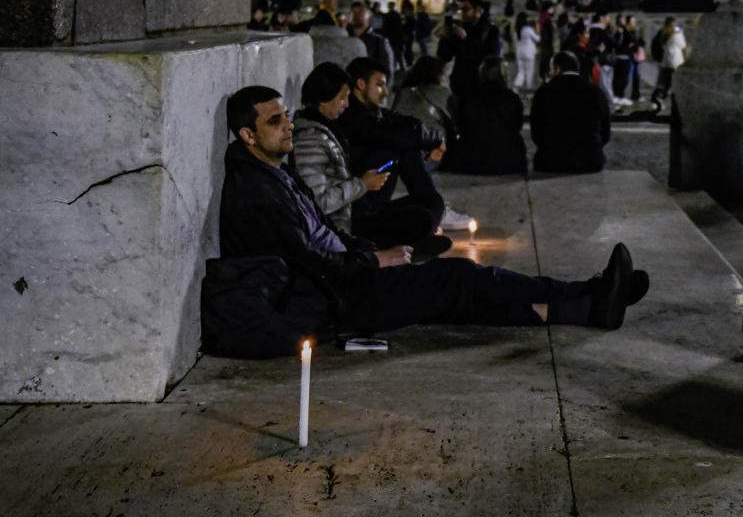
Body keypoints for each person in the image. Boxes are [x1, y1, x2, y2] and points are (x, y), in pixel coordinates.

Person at [219, 85, 646, 334]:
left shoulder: (278, 173)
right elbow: (305, 259)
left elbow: (327, 234)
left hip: (349, 276)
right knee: (457, 280)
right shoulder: (258, 192)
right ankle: (586, 300)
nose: (288, 126)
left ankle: (587, 298)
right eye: (275, 121)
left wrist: (369, 251)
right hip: (336, 299)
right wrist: (373, 260)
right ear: (247, 135)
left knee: (464, 285)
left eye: (286, 116)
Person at [292, 63, 450, 257]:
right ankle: (400, 250)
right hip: (343, 228)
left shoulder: (330, 128)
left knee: (432, 201)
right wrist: (362, 184)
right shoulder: (310, 139)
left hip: (357, 208)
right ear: (323, 101)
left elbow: (398, 125)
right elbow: (317, 203)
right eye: (342, 99)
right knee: (421, 219)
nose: (346, 104)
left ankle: (410, 246)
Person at [336, 56, 473, 233]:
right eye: (379, 84)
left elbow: (408, 123)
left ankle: (431, 220)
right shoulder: (351, 115)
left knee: (431, 202)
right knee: (399, 144)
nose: (385, 92)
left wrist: (435, 138)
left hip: (371, 200)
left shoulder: (372, 111)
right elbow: (392, 135)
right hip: (358, 205)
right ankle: (430, 220)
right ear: (361, 84)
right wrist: (434, 140)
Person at [530, 52, 613, 173]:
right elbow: (605, 132)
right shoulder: (595, 92)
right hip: (590, 160)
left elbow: (536, 133)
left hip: (551, 160)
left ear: (557, 68)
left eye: (551, 70)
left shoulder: (544, 92)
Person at [444, 57, 528, 175]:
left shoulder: (469, 97)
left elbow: (461, 124)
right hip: (507, 160)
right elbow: (517, 125)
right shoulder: (511, 98)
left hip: (471, 159)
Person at [437, 0, 503, 102]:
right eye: (460, 10)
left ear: (478, 10)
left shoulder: (490, 30)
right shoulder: (460, 29)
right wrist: (447, 37)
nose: (462, 14)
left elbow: (492, 58)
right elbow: (444, 56)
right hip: (459, 86)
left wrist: (466, 40)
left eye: (466, 9)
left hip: (480, 87)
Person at [349, 1, 395, 76]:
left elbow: (388, 71)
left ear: (369, 17)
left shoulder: (380, 41)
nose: (355, 15)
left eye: (360, 12)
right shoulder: (347, 39)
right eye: (353, 12)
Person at [649, 17, 687, 105]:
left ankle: (657, 100)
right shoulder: (676, 35)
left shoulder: (662, 33)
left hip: (665, 61)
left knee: (664, 82)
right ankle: (672, 101)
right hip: (675, 62)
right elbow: (683, 45)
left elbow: (658, 45)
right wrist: (681, 33)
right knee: (673, 83)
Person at [514, 12, 540, 90]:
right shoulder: (528, 29)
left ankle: (516, 87)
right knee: (529, 72)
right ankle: (529, 88)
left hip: (519, 53)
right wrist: (538, 30)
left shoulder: (516, 30)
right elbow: (537, 39)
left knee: (521, 72)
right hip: (529, 53)